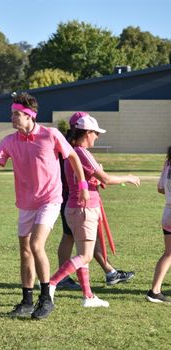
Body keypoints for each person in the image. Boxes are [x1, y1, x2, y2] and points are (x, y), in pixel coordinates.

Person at [0, 92, 89, 320]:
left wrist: (83, 184)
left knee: (36, 244)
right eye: (12, 114)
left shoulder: (51, 135)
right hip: (26, 203)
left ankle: (46, 298)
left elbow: (73, 158)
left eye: (17, 114)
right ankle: (27, 300)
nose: (13, 118)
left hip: (50, 199)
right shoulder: (10, 141)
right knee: (25, 251)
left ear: (30, 116)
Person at [49, 115, 140, 307]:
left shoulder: (71, 151)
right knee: (85, 255)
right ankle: (51, 284)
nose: (97, 137)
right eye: (95, 133)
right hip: (84, 209)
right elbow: (105, 178)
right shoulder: (81, 152)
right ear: (87, 133)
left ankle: (88, 296)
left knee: (84, 254)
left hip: (76, 208)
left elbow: (90, 178)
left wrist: (95, 180)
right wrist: (128, 177)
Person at [146, 146, 171, 303]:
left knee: (169, 253)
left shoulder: (168, 163)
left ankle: (155, 291)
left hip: (168, 212)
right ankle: (154, 291)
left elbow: (160, 188)